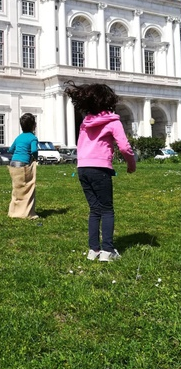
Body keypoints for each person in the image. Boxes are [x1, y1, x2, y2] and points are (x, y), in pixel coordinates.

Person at [64, 82, 136, 262]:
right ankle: (108, 251)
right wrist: (131, 164)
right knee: (107, 209)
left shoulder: (85, 122)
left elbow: (80, 145)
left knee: (94, 210)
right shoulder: (113, 121)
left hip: (83, 168)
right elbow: (125, 147)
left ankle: (93, 250)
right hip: (100, 169)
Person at [8, 113, 39, 219]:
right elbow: (34, 150)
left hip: (13, 164)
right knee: (27, 188)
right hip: (24, 164)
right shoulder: (33, 138)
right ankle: (26, 213)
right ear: (33, 125)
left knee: (16, 188)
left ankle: (14, 211)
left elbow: (11, 150)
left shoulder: (18, 137)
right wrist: (35, 157)